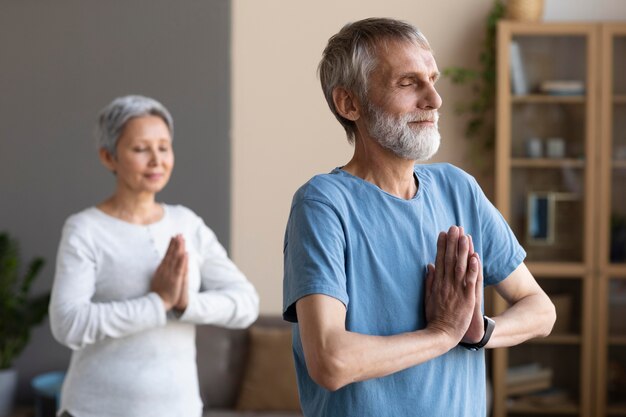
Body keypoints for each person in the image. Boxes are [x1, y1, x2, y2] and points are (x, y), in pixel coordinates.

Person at [282, 18, 556, 417]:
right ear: (349, 104)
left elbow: (540, 309)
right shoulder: (322, 204)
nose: (434, 100)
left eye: (432, 79)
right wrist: (443, 333)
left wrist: (479, 331)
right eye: (408, 83)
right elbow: (330, 360)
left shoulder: (458, 188)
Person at [49, 95, 259, 417]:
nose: (156, 160)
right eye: (140, 149)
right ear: (109, 157)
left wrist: (184, 304)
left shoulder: (186, 223)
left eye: (164, 147)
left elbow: (246, 304)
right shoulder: (85, 229)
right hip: (94, 408)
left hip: (179, 408)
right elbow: (68, 324)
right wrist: (156, 303)